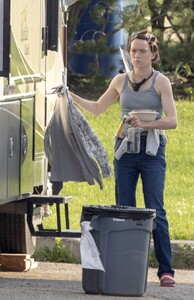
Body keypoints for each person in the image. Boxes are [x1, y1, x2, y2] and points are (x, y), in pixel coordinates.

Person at [70, 29, 177, 287]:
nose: (137, 56)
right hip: (125, 152)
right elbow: (97, 108)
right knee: (125, 211)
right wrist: (68, 95)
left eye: (142, 51)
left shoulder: (161, 82)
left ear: (153, 54)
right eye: (133, 51)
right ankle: (126, 266)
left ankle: (166, 270)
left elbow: (172, 121)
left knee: (156, 210)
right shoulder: (120, 81)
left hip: (151, 152)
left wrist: (145, 123)